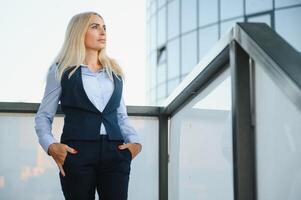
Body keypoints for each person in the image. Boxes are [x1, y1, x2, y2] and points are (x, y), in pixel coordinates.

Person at [34, 11, 142, 200]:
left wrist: (135, 143)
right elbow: (44, 115)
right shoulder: (61, 70)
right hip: (76, 152)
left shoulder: (114, 72)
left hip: (115, 151)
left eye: (104, 27)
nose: (103, 32)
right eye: (95, 26)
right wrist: (51, 147)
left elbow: (120, 116)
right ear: (78, 32)